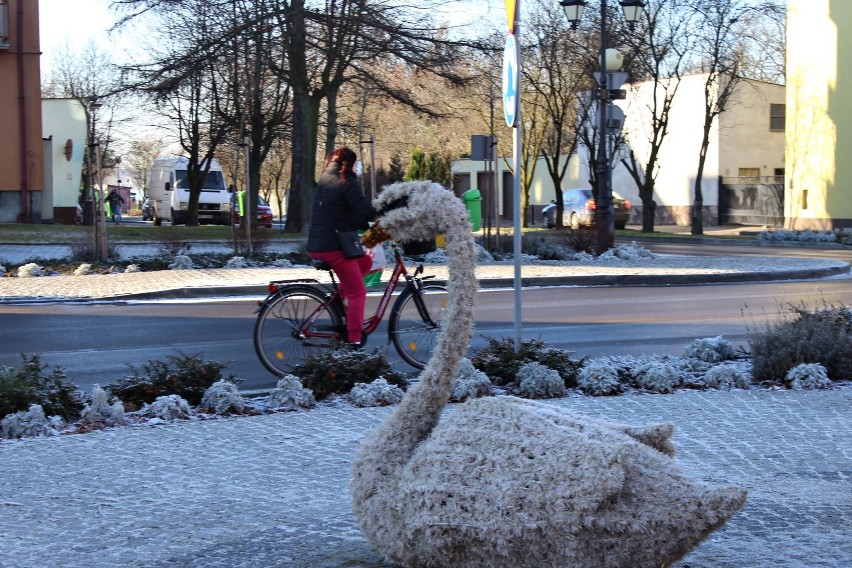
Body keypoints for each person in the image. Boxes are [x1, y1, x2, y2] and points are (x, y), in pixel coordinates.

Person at [307, 147, 378, 347]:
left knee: (365, 262)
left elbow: (342, 213)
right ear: (350, 164)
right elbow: (364, 209)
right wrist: (387, 210)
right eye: (356, 164)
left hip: (321, 243)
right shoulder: (346, 180)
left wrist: (362, 223)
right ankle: (353, 340)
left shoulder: (325, 178)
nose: (357, 168)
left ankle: (340, 299)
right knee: (358, 292)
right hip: (334, 247)